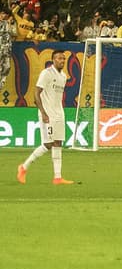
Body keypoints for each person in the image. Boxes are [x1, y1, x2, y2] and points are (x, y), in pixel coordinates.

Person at [17, 50, 75, 185]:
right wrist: (43, 112)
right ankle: (23, 167)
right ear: (53, 60)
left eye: (64, 59)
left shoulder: (63, 76)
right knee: (48, 144)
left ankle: (57, 177)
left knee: (58, 143)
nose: (62, 61)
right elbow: (36, 93)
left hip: (59, 113)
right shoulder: (46, 73)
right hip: (47, 114)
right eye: (59, 58)